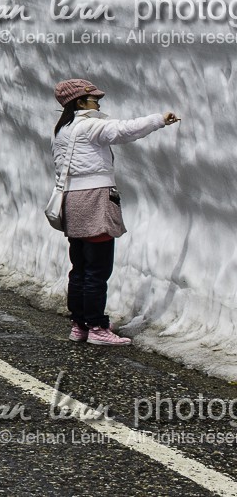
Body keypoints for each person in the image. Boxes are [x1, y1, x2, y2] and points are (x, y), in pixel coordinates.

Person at [51, 79, 179, 346]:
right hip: (95, 200)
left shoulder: (62, 130)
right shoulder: (89, 126)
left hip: (71, 201)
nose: (98, 103)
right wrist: (159, 119)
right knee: (97, 269)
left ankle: (80, 325)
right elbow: (124, 130)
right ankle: (97, 328)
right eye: (94, 99)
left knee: (80, 267)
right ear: (79, 102)